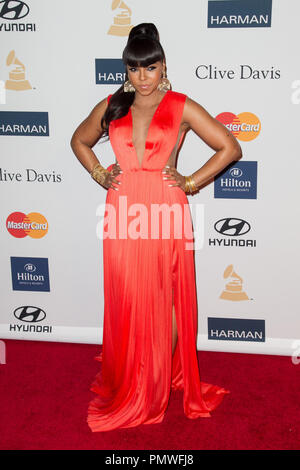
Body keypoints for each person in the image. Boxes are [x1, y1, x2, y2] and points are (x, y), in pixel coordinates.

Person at [70, 23, 242, 432]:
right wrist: (98, 172)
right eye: (134, 69)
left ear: (163, 67)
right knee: (129, 295)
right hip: (124, 208)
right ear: (125, 70)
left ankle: (157, 379)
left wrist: (190, 182)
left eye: (150, 68)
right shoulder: (113, 104)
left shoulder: (181, 105)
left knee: (167, 295)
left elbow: (230, 147)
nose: (142, 78)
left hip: (165, 209)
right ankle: (132, 373)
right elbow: (79, 140)